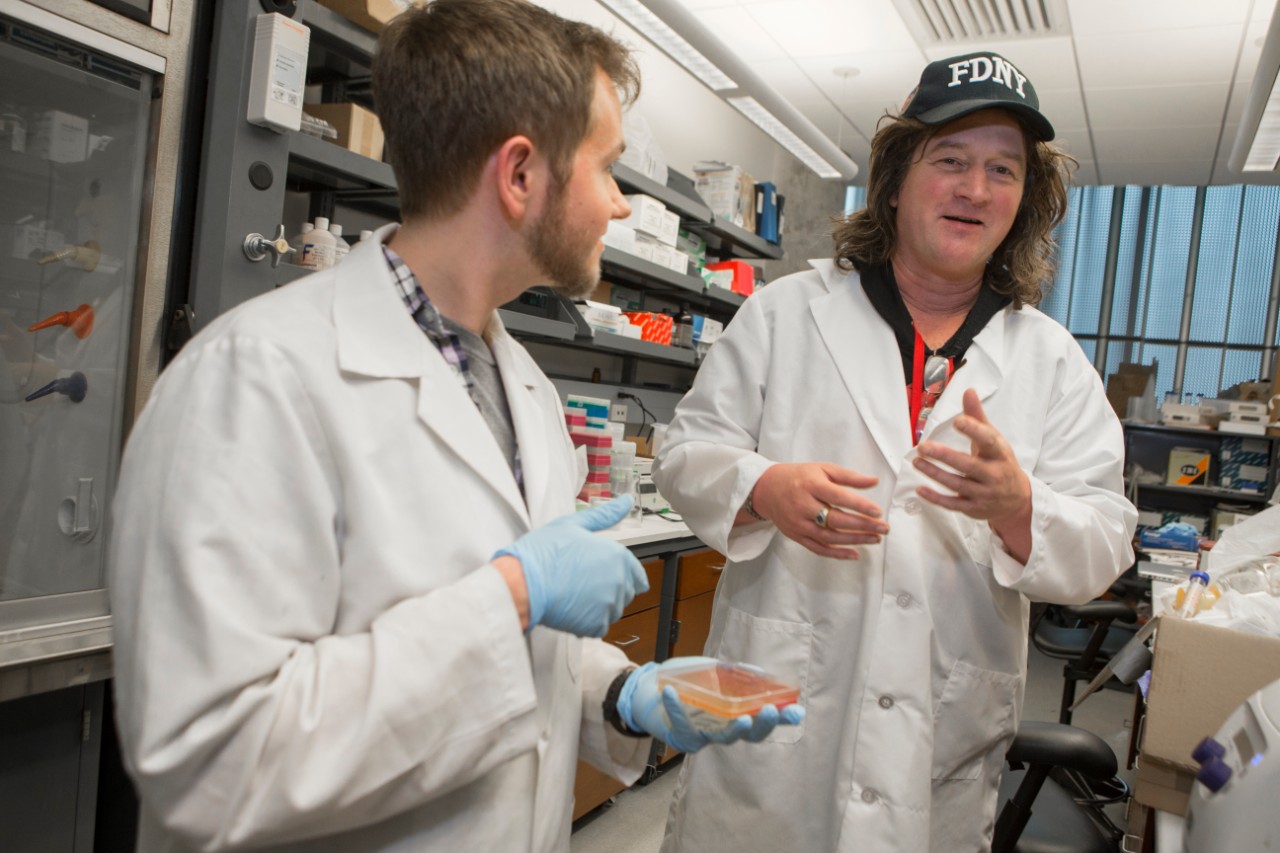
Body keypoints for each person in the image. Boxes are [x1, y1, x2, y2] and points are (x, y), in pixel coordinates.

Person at [107, 2, 799, 850]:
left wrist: (620, 694)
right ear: (519, 175)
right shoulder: (255, 379)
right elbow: (211, 762)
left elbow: (523, 658)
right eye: (607, 168)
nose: (620, 205)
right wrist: (512, 592)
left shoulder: (527, 392)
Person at [652, 51, 1137, 851]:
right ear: (896, 178)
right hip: (777, 729)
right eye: (950, 160)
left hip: (937, 743)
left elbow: (1104, 540)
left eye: (1002, 170)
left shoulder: (1050, 361)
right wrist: (762, 484)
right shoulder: (786, 315)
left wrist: (1022, 507)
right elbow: (686, 452)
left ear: (1026, 199)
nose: (975, 190)